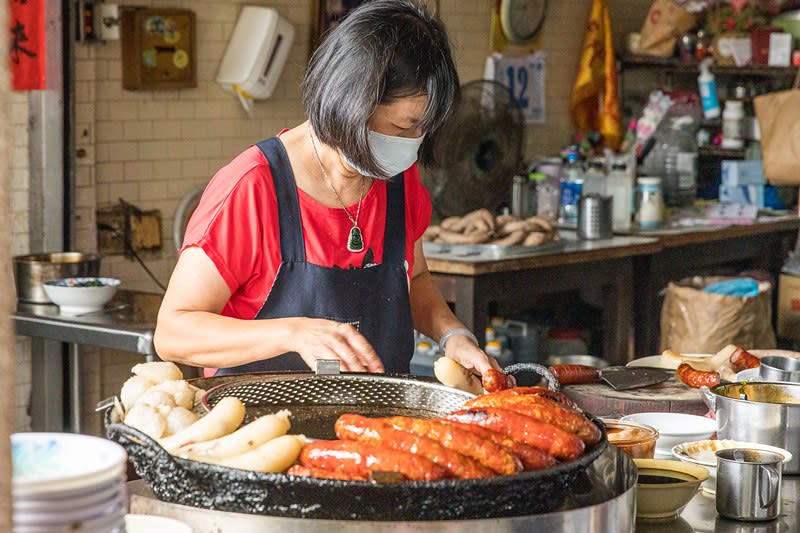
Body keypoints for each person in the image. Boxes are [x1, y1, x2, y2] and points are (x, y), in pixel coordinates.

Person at [153, 0, 499, 380]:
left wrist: (453, 335)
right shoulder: (253, 186)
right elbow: (173, 332)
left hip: (376, 427)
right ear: (351, 101)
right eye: (403, 129)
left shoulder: (399, 180)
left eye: (423, 130)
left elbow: (414, 280)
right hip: (260, 429)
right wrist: (293, 332)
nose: (413, 144)